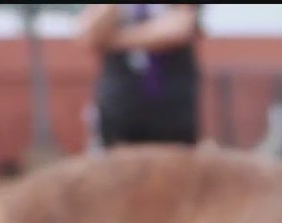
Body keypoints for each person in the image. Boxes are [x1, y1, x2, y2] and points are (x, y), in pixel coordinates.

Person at [76, 4, 203, 148]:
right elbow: (89, 34)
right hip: (119, 111)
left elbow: (178, 29)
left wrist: (111, 40)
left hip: (172, 113)